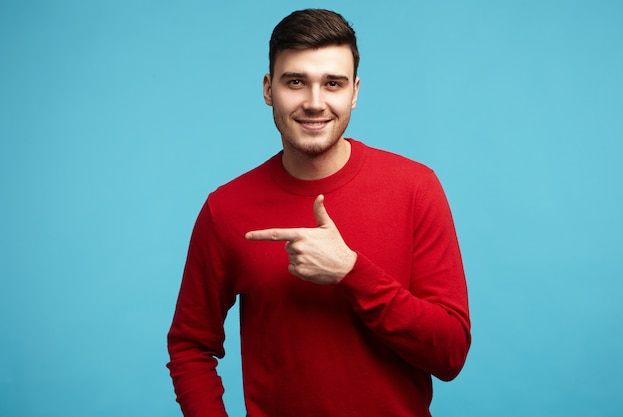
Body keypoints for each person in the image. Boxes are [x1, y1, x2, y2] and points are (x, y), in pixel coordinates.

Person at [167, 8, 471, 417]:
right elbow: (191, 345)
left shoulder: (415, 188)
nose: (314, 103)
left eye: (332, 84)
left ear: (355, 92)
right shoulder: (225, 209)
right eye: (296, 82)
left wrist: (351, 272)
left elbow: (450, 354)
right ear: (268, 89)